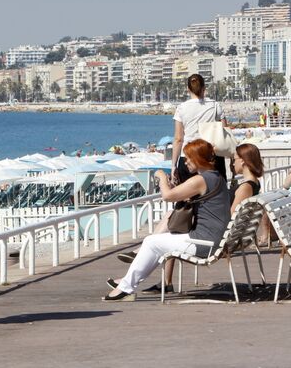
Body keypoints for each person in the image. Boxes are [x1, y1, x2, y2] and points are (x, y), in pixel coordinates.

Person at [122, 143, 265, 293]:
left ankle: (136, 279)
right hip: (224, 237)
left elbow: (230, 215)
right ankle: (151, 277)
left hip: (213, 240)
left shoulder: (245, 187)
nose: (232, 162)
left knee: (167, 228)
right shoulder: (250, 184)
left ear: (243, 160)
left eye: (234, 159)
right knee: (173, 219)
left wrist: (162, 177)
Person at [104, 139, 230, 301]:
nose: (186, 161)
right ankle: (126, 284)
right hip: (213, 239)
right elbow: (181, 193)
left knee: (151, 242)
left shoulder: (201, 180)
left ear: (198, 159)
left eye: (189, 157)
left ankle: (125, 287)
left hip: (204, 243)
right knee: (155, 242)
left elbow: (168, 196)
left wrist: (161, 176)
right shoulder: (217, 178)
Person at [171, 74, 227, 185]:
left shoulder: (181, 108)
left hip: (188, 157)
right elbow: (225, 133)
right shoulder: (215, 106)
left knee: (189, 197)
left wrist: (173, 165)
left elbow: (178, 139)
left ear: (188, 89)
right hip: (211, 156)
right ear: (204, 88)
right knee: (215, 193)